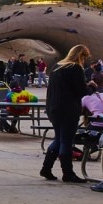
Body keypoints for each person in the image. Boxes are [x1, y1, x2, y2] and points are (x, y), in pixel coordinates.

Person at [41, 44, 91, 183]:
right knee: (66, 141)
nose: (85, 61)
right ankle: (67, 173)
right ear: (80, 56)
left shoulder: (57, 66)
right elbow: (81, 91)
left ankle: (46, 168)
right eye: (85, 57)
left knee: (59, 138)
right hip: (68, 108)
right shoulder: (75, 68)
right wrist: (91, 86)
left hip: (54, 108)